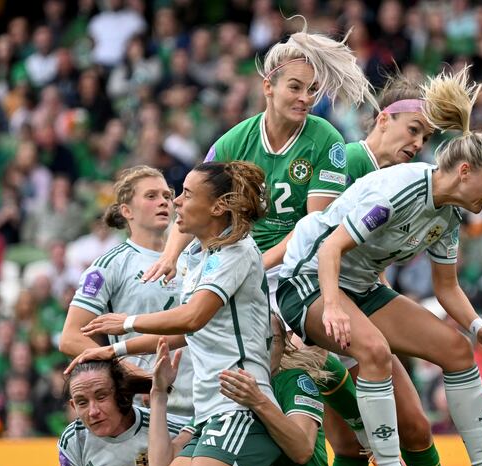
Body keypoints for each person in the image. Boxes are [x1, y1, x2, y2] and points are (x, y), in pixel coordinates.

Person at [277, 66, 482, 466]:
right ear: (465, 171)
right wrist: (335, 308)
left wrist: (480, 328)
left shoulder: (449, 214)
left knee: (454, 350)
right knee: (374, 353)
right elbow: (329, 248)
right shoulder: (402, 189)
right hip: (307, 284)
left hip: (360, 289)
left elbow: (446, 288)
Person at [70, 161, 282, 466]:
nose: (175, 202)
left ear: (217, 207)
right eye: (161, 195)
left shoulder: (234, 251)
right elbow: (186, 332)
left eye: (183, 194)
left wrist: (127, 323)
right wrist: (115, 352)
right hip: (205, 414)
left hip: (238, 408)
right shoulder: (196, 257)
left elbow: (192, 317)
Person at [142, 18, 377, 316]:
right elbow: (193, 202)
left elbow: (314, 227)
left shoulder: (326, 139)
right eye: (295, 87)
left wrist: (257, 266)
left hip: (295, 266)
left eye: (312, 89)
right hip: (236, 256)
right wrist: (170, 255)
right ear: (269, 86)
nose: (306, 98)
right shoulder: (235, 141)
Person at [323, 75, 448, 466]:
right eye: (413, 130)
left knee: (411, 428)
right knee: (361, 444)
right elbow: (318, 240)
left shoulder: (401, 180)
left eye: (426, 137)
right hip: (326, 314)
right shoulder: (350, 161)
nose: (418, 144)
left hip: (360, 311)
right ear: (383, 119)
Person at [142, 317, 351, 466]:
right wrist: (159, 394)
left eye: (273, 340)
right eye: (256, 340)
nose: (264, 349)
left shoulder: (292, 381)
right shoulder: (224, 398)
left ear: (284, 347)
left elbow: (302, 450)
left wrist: (258, 401)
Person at [59, 165, 194, 417]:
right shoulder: (110, 265)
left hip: (205, 400)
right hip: (149, 405)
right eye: (151, 196)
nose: (163, 202)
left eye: (167, 196)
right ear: (126, 211)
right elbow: (70, 338)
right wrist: (128, 370)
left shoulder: (194, 255)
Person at [58, 359, 188, 466]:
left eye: (101, 396)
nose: (93, 411)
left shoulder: (175, 431)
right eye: (82, 402)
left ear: (122, 394)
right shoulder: (73, 441)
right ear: (73, 406)